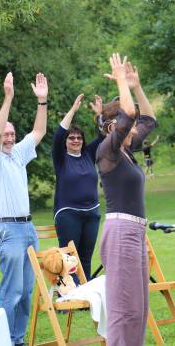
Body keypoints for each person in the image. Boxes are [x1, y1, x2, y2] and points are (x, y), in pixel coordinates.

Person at [0, 72, 48, 346]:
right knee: (13, 290)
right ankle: (3, 341)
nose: (8, 137)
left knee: (27, 291)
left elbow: (39, 131)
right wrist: (8, 97)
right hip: (7, 229)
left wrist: (41, 102)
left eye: (12, 133)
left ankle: (17, 340)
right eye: (4, 133)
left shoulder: (18, 153)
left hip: (28, 228)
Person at [98, 53, 157, 345]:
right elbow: (131, 117)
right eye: (125, 126)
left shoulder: (126, 150)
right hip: (120, 232)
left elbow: (148, 118)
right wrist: (120, 79)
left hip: (134, 232)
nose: (135, 131)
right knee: (123, 309)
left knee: (138, 308)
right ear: (112, 127)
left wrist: (135, 86)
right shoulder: (107, 152)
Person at [52, 93, 104, 279]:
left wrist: (99, 115)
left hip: (92, 213)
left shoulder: (88, 154)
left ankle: (84, 295)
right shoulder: (61, 158)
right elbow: (58, 134)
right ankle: (68, 296)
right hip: (68, 214)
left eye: (79, 138)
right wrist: (73, 110)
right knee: (69, 257)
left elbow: (103, 135)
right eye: (71, 138)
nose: (75, 141)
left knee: (86, 257)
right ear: (65, 142)